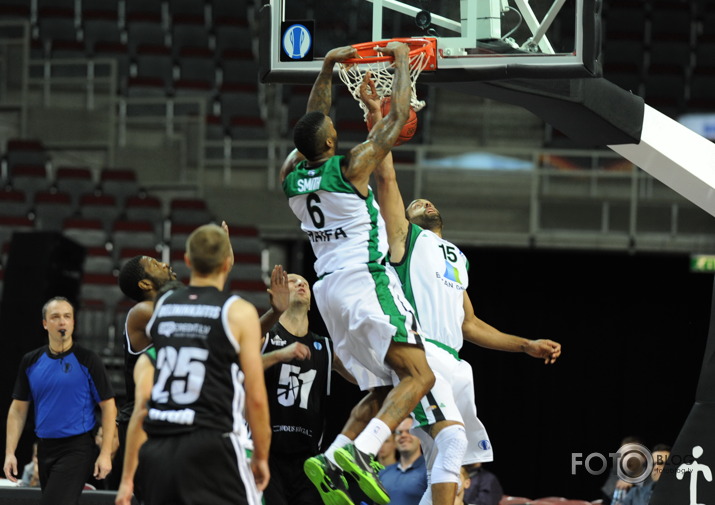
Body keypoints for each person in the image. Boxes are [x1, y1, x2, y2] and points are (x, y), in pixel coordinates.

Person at [360, 75, 562, 505]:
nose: (424, 202)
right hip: (422, 353)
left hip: (455, 363)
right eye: (417, 203)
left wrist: (523, 345)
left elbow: (468, 323)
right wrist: (379, 126)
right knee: (451, 445)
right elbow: (387, 181)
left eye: (429, 203)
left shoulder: (456, 257)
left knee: (447, 457)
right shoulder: (405, 239)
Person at [281, 42, 436, 505]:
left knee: (381, 385)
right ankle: (366, 452)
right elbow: (397, 120)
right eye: (333, 129)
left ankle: (334, 456)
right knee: (420, 377)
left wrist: (328, 65)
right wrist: (402, 63)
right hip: (364, 280)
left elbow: (313, 118)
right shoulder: (351, 167)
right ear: (330, 142)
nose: (335, 127)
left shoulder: (289, 176)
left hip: (327, 291)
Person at [116, 223, 271, 505]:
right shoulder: (148, 311)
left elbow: (200, 302)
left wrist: (126, 480)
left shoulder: (167, 309)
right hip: (208, 436)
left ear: (188, 261)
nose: (164, 264)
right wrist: (261, 455)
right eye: (155, 263)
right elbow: (256, 397)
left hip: (158, 433)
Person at [3, 296, 117, 505]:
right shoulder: (31, 361)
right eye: (55, 317)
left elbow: (109, 407)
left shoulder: (88, 360)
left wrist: (105, 453)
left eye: (67, 316)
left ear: (74, 322)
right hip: (45, 447)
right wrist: (10, 452)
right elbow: (18, 410)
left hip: (77, 448)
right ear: (45, 324)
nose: (62, 322)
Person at [260, 268, 357, 505]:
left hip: (308, 459)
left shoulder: (326, 347)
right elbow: (240, 358)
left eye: (304, 283)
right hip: (267, 454)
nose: (300, 284)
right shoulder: (266, 337)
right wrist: (275, 311)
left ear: (312, 304)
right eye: (291, 282)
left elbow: (364, 379)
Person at [112, 254, 177, 489]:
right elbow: (204, 321)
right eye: (156, 264)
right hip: (141, 419)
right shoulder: (142, 311)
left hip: (168, 415)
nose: (166, 264)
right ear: (145, 283)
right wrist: (215, 273)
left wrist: (274, 312)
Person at [378, 418, 428, 505]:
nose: (403, 435)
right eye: (399, 432)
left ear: (420, 438)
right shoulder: (383, 472)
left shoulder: (429, 470)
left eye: (409, 431)